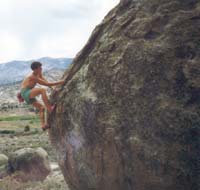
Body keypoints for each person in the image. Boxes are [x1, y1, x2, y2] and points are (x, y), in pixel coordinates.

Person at [20, 61, 64, 130]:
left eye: (41, 67)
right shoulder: (32, 77)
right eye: (39, 68)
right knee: (42, 90)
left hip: (27, 92)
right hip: (25, 92)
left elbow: (44, 80)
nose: (41, 69)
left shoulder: (38, 73)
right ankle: (50, 108)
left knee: (41, 108)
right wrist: (61, 82)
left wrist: (52, 88)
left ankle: (43, 125)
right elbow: (46, 84)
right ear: (35, 69)